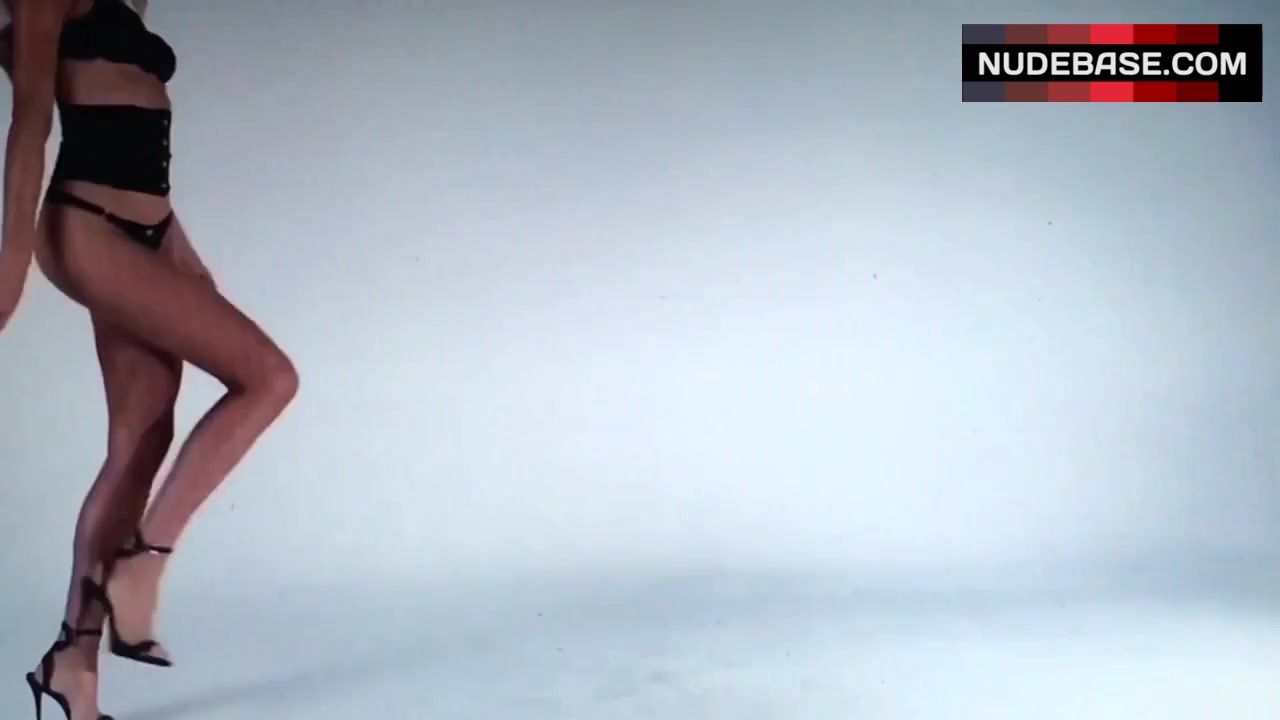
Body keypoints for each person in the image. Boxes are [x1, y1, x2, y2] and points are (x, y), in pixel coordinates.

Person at [0, 1, 300, 718]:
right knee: (268, 378)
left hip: (151, 227)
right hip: (89, 227)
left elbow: (137, 129)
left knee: (140, 442)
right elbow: (32, 122)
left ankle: (73, 662)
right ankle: (143, 563)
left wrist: (175, 244)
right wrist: (10, 268)